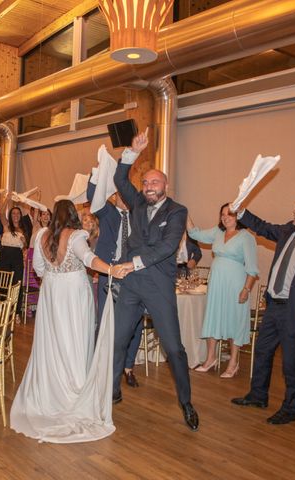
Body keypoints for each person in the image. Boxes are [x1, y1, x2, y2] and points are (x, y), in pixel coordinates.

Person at [10, 200, 131, 443]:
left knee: (53, 343)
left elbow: (38, 269)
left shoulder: (42, 235)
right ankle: (75, 393)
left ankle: (51, 391)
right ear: (73, 215)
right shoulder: (76, 236)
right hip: (74, 293)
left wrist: (55, 277)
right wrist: (111, 269)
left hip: (51, 293)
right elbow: (89, 260)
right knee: (76, 340)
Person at [112, 130, 199, 431]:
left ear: (165, 186)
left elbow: (166, 247)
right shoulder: (136, 203)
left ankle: (186, 402)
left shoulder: (177, 211)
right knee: (118, 339)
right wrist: (131, 153)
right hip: (132, 285)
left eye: (154, 182)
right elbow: (120, 180)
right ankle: (112, 390)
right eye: (146, 182)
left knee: (174, 347)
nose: (149, 186)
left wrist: (132, 262)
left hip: (159, 284)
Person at [230, 198, 295, 424]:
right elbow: (262, 227)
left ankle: (290, 409)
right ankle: (258, 396)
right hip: (273, 305)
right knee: (262, 351)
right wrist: (241, 213)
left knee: (290, 362)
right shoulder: (288, 230)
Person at [187, 204, 258, 378]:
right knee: (213, 317)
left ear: (238, 216)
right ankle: (210, 359)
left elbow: (252, 269)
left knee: (234, 320)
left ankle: (233, 362)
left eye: (230, 214)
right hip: (217, 283)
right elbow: (194, 233)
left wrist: (246, 289)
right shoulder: (217, 233)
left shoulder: (246, 237)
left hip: (236, 284)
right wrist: (184, 213)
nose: (225, 217)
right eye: (222, 214)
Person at [86, 179, 142, 388]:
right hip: (108, 272)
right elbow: (92, 194)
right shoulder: (107, 212)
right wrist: (98, 172)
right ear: (114, 196)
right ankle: (102, 367)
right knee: (105, 321)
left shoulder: (138, 215)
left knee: (135, 323)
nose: (125, 200)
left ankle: (128, 368)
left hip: (131, 274)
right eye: (121, 195)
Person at [0, 195, 27, 321]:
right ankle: (5, 311)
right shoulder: (6, 226)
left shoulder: (23, 229)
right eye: (13, 213)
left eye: (17, 213)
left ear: (20, 216)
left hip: (17, 258)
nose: (15, 215)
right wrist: (8, 198)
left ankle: (16, 312)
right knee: (4, 284)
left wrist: (24, 241)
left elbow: (25, 246)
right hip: (4, 256)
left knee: (17, 285)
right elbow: (1, 212)